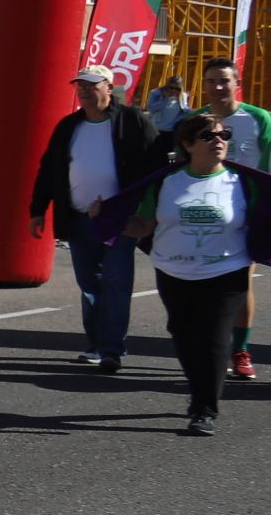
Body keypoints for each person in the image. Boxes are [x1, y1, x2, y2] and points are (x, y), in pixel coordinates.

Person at [102, 113, 271, 435]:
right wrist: (111, 219)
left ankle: (205, 409)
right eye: (209, 136)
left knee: (213, 338)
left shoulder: (243, 182)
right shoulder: (167, 181)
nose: (219, 140)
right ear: (188, 144)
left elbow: (263, 220)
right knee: (183, 334)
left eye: (224, 134)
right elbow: (143, 225)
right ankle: (200, 392)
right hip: (174, 270)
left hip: (227, 271)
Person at [29, 66, 158, 372]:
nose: (85, 91)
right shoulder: (68, 126)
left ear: (109, 88)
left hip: (120, 219)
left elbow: (155, 164)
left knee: (115, 281)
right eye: (80, 86)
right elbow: (49, 169)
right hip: (79, 218)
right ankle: (97, 342)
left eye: (92, 85)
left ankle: (112, 348)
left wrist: (144, 211)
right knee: (89, 283)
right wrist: (37, 209)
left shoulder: (133, 120)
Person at [189, 58, 271, 379]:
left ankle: (240, 350)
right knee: (200, 281)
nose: (218, 87)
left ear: (237, 83)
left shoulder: (259, 118)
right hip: (203, 213)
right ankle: (209, 344)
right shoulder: (194, 120)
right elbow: (184, 167)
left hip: (245, 214)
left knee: (239, 282)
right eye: (211, 81)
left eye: (224, 80)